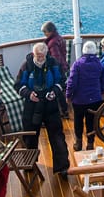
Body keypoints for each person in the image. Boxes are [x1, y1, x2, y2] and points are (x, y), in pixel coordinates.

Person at [16, 42, 70, 177]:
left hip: (50, 104)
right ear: (33, 54)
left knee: (57, 136)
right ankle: (30, 164)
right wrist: (29, 94)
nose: (39, 58)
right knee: (29, 136)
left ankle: (62, 167)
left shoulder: (53, 64)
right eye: (37, 55)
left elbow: (61, 81)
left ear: (46, 54)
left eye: (42, 56)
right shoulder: (26, 66)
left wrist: (54, 92)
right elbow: (18, 85)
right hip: (32, 106)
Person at [66, 40, 104, 151]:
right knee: (91, 121)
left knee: (78, 121)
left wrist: (68, 95)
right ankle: (90, 144)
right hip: (95, 99)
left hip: (79, 100)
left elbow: (72, 82)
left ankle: (78, 143)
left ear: (83, 51)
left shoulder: (77, 64)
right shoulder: (100, 65)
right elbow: (103, 81)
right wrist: (101, 91)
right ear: (94, 52)